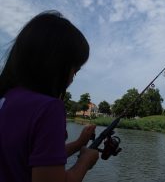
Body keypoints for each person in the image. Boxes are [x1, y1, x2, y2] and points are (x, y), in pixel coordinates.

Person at [0, 11, 99, 182]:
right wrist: (85, 161)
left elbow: (35, 159)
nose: (72, 79)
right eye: (74, 70)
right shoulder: (48, 108)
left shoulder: (6, 99)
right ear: (57, 65)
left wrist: (78, 144)